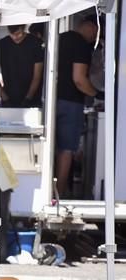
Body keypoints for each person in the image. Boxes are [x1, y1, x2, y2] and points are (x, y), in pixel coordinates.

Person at [55, 15, 101, 198]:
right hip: (70, 103)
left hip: (51, 101)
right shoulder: (81, 45)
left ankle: (51, 191)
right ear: (90, 26)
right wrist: (97, 94)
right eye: (97, 32)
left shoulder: (59, 38)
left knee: (51, 148)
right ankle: (59, 195)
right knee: (66, 150)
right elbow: (79, 79)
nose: (95, 38)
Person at [0, 24, 44, 108]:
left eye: (18, 33)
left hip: (33, 100)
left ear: (23, 28)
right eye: (12, 34)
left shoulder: (35, 43)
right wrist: (4, 97)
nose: (15, 37)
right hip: (8, 98)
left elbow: (37, 75)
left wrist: (28, 98)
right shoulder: (1, 44)